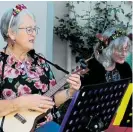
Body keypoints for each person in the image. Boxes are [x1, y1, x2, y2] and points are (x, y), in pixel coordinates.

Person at [0, 4, 81, 132]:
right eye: (28, 30)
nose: (34, 34)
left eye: (34, 29)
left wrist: (69, 92)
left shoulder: (40, 61)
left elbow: (51, 100)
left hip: (47, 126)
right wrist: (21, 103)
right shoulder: (1, 63)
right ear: (12, 33)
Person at [81, 27, 132, 132]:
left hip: (120, 119)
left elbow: (129, 96)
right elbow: (83, 103)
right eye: (119, 49)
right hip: (95, 124)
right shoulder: (93, 67)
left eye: (126, 49)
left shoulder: (125, 67)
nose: (124, 53)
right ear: (108, 48)